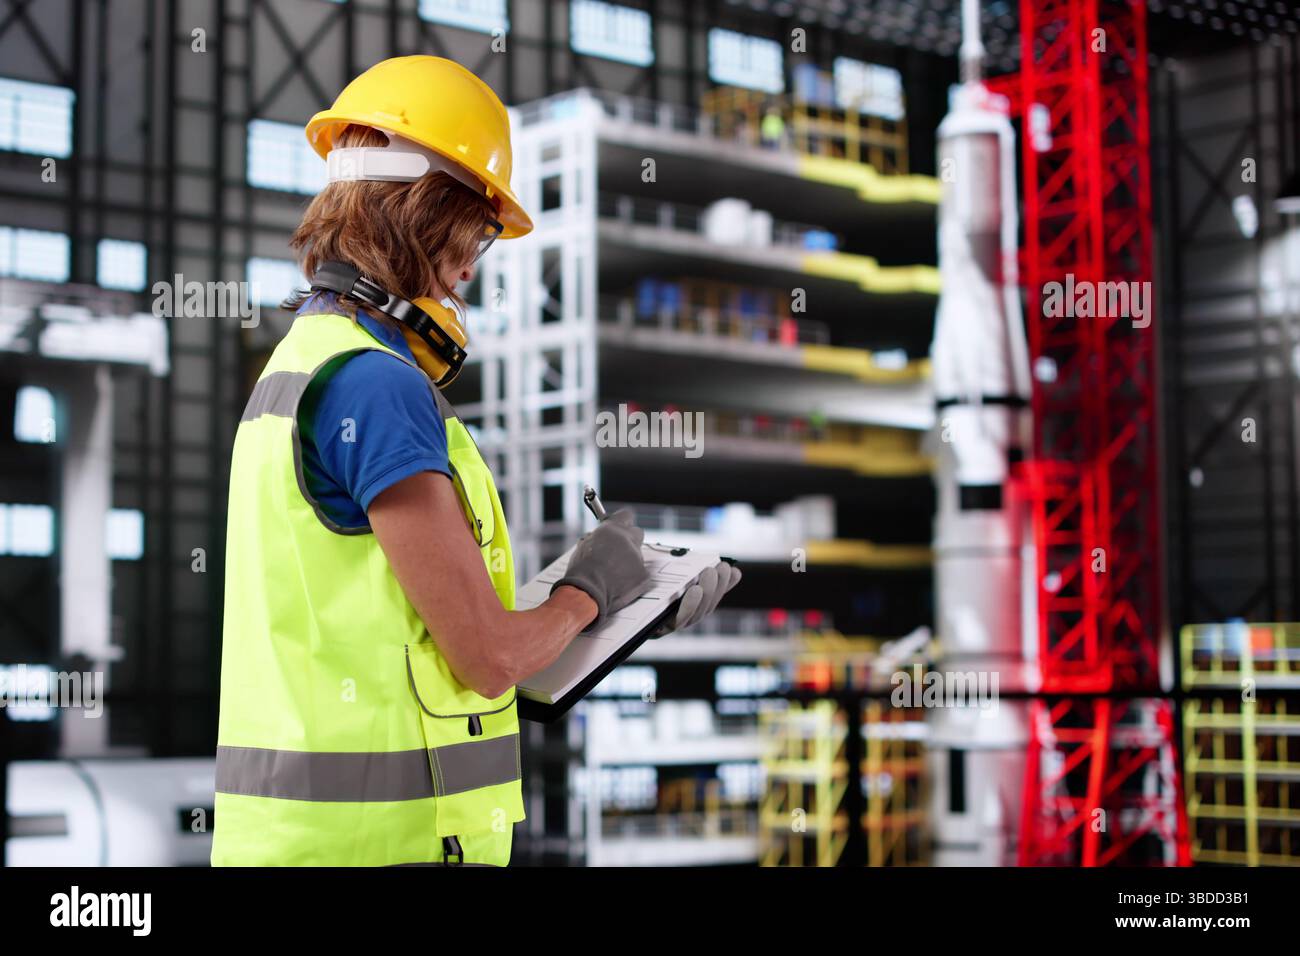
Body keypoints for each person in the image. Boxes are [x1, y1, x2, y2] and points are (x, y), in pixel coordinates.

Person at [210, 55, 740, 867]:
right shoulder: (377, 387)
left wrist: (628, 614)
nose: (470, 268)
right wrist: (588, 591)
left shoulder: (306, 364)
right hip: (380, 850)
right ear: (427, 208)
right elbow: (487, 658)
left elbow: (424, 648)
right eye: (480, 232)